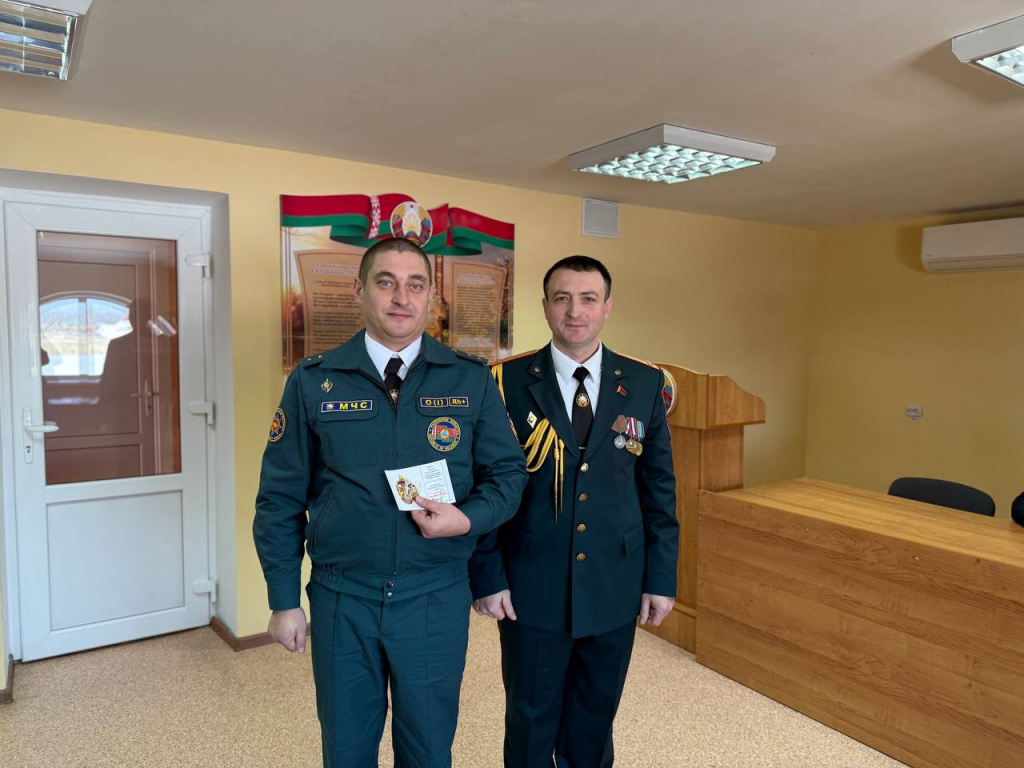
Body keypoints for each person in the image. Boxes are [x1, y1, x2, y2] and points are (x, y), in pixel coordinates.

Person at [253, 237, 527, 768]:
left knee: (428, 750)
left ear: (431, 297)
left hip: (435, 595)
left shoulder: (470, 378)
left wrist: (466, 518)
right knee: (346, 750)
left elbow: (508, 474)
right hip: (343, 597)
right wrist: (283, 599)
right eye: (386, 282)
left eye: (415, 285)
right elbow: (279, 499)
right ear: (360, 291)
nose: (401, 297)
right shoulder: (314, 381)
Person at [470, 255, 679, 767]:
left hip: (614, 582)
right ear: (545, 306)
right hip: (530, 586)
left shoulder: (645, 383)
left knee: (594, 720)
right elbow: (482, 484)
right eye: (562, 298)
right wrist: (487, 576)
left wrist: (661, 578)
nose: (575, 311)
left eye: (588, 298)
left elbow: (658, 489)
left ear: (607, 307)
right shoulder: (502, 382)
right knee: (530, 721)